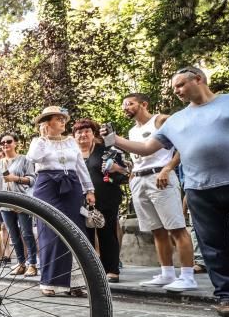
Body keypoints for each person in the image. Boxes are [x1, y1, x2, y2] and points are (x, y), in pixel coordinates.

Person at [104, 66, 229, 317]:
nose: (176, 91)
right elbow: (146, 147)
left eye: (180, 85)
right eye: (174, 87)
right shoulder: (176, 120)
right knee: (213, 246)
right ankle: (226, 295)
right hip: (200, 189)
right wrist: (113, 140)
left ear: (198, 79)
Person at [120, 93, 198, 291]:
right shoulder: (131, 131)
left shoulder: (161, 120)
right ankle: (167, 273)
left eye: (129, 104)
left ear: (143, 104)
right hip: (139, 179)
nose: (125, 108)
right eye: (123, 105)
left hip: (160, 177)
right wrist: (132, 178)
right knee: (156, 229)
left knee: (176, 227)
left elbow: (184, 143)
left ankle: (188, 276)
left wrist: (168, 168)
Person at [28, 106, 96, 296]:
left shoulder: (71, 141)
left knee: (75, 230)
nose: (63, 122)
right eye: (58, 119)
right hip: (48, 186)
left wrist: (89, 189)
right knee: (51, 232)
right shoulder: (38, 142)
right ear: (47, 122)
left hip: (72, 185)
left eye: (63, 118)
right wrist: (43, 137)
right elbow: (34, 158)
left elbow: (80, 165)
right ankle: (49, 281)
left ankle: (75, 283)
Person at [73, 119, 128, 282]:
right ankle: (90, 270)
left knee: (107, 234)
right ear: (74, 136)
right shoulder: (71, 153)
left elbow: (125, 172)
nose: (83, 135)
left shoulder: (106, 149)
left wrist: (116, 169)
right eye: (79, 132)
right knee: (84, 235)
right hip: (80, 202)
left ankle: (111, 269)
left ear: (93, 133)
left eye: (87, 131)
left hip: (107, 198)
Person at [0, 132, 38, 277]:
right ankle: (21, 263)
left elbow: (32, 179)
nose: (5, 145)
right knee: (13, 236)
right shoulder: (0, 162)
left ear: (15, 143)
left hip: (21, 201)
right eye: (2, 143)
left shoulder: (24, 159)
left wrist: (15, 178)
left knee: (27, 234)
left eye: (8, 141)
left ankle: (32, 264)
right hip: (5, 203)